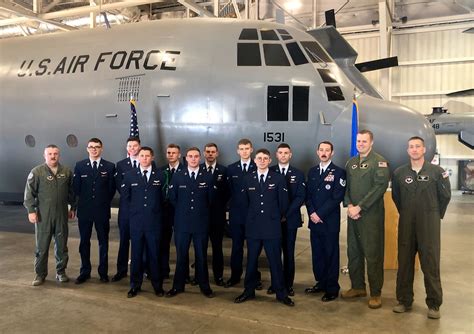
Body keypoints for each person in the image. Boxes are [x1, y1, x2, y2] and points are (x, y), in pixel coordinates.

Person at [391, 136, 451, 319]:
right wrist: (408, 212)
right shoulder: (399, 173)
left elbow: (445, 196)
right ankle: (404, 301)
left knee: (430, 264)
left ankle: (434, 304)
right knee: (404, 264)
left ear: (424, 150)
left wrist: (433, 214)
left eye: (418, 146)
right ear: (407, 150)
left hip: (429, 225)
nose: (414, 150)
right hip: (407, 224)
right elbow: (396, 197)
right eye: (411, 147)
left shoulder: (437, 172)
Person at [234, 149, 293, 306]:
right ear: (255, 160)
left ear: (269, 160)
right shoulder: (248, 179)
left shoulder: (278, 178)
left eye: (265, 158)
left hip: (272, 227)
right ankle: (248, 291)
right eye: (259, 158)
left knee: (275, 262)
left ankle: (281, 294)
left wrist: (273, 217)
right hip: (253, 227)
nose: (261, 161)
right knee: (251, 261)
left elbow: (283, 203)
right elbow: (244, 203)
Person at [342, 129, 390, 309]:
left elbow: (379, 188)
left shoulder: (380, 162)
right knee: (353, 252)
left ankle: (376, 293)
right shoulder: (351, 163)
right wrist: (349, 205)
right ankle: (357, 287)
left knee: (373, 254)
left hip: (370, 216)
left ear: (372, 142)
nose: (360, 144)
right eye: (358, 141)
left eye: (364, 141)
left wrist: (360, 207)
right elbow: (346, 187)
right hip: (353, 214)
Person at [166, 147, 215, 298]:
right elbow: (173, 198)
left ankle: (204, 286)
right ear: (185, 158)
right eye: (190, 156)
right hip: (182, 223)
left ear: (200, 158)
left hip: (200, 223)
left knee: (201, 256)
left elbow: (211, 200)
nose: (193, 159)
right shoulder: (178, 176)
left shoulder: (207, 176)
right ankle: (177, 286)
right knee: (181, 256)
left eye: (196, 156)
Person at [24, 145, 76, 286]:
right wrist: (31, 211)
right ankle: (40, 274)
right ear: (44, 155)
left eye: (55, 153)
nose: (53, 156)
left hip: (61, 215)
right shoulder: (37, 172)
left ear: (59, 155)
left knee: (61, 246)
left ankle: (61, 272)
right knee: (42, 246)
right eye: (50, 154)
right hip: (43, 215)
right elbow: (29, 194)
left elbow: (72, 192)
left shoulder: (66, 172)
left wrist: (73, 208)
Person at [121, 147, 165, 298]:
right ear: (137, 157)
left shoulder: (161, 175)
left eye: (147, 156)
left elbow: (164, 198)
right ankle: (135, 285)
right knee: (136, 255)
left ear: (152, 157)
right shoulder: (129, 176)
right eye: (142, 156)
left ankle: (157, 285)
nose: (144, 158)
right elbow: (126, 199)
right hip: (137, 223)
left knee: (154, 255)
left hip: (154, 223)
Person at [305, 141, 346, 302]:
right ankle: (321, 282)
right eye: (321, 150)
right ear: (317, 152)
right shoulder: (313, 171)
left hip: (329, 222)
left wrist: (319, 214)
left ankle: (332, 288)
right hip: (314, 221)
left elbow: (337, 197)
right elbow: (308, 196)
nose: (324, 152)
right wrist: (311, 213)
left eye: (327, 150)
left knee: (331, 254)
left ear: (332, 153)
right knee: (317, 255)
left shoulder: (338, 172)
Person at [73, 138, 116, 284]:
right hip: (85, 211)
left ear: (101, 149)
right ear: (87, 149)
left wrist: (101, 202)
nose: (94, 149)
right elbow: (77, 188)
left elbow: (111, 190)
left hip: (102, 211)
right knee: (84, 242)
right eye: (91, 147)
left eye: (97, 147)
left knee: (103, 242)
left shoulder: (109, 166)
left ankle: (103, 272)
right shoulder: (80, 166)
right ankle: (85, 271)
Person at [268, 143, 305, 296]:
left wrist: (286, 213)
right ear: (276, 155)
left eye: (286, 153)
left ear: (290, 155)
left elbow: (300, 197)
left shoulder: (298, 173)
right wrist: (277, 214)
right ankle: (275, 283)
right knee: (274, 254)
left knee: (289, 253)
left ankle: (288, 285)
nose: (283, 155)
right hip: (273, 221)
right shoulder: (270, 171)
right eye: (280, 153)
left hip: (290, 220)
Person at [226, 138, 261, 289]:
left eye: (247, 148)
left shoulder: (259, 166)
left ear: (251, 150)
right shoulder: (231, 169)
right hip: (237, 216)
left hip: (254, 216)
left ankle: (254, 278)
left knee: (254, 249)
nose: (244, 151)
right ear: (237, 151)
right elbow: (227, 192)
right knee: (237, 247)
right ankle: (235, 276)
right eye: (241, 149)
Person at [200, 143, 230, 286]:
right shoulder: (197, 169)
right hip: (200, 217)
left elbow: (227, 193)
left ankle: (218, 276)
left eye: (213, 152)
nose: (210, 154)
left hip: (217, 217)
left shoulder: (224, 171)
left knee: (217, 248)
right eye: (207, 152)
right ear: (204, 154)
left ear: (217, 153)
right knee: (201, 249)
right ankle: (201, 276)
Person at [112, 136, 141, 282]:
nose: (132, 148)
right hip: (126, 210)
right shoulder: (121, 165)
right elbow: (120, 187)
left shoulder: (148, 162)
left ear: (139, 147)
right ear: (126, 148)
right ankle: (121, 270)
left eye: (135, 146)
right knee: (124, 241)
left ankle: (141, 269)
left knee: (141, 242)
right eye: (130, 146)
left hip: (142, 211)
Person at [159, 143, 184, 280]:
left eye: (174, 153)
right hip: (164, 213)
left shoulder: (186, 170)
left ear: (179, 155)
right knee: (164, 243)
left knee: (181, 245)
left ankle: (183, 273)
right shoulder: (161, 171)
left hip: (180, 212)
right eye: (169, 153)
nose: (171, 155)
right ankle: (164, 270)